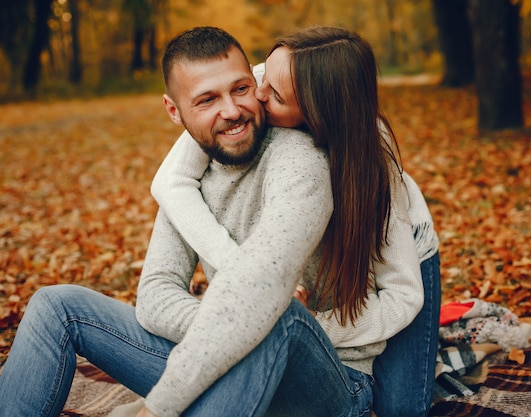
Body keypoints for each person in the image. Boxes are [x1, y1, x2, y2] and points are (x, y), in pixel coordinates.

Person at [0, 26, 435, 417]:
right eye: (207, 100)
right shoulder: (190, 175)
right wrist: (229, 324)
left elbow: (391, 294)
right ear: (176, 113)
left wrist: (245, 322)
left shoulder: (308, 162)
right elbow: (154, 295)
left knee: (277, 316)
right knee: (57, 306)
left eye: (243, 88)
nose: (234, 109)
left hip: (327, 380)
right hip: (228, 358)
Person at [151, 26, 441, 417]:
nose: (255, 97)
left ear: (313, 112)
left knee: (401, 409)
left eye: (274, 94)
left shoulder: (375, 163)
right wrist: (243, 284)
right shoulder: (252, 90)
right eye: (260, 80)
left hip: (407, 255)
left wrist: (314, 324)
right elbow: (170, 182)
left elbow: (403, 296)